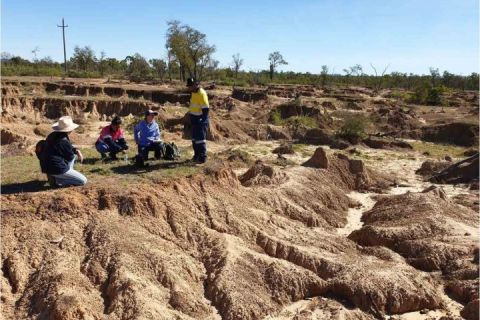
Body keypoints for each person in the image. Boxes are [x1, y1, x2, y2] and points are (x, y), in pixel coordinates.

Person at [41, 116, 87, 187]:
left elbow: (69, 149)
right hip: (57, 168)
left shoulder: (52, 135)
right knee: (83, 181)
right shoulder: (63, 140)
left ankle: (56, 176)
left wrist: (76, 150)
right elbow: (70, 156)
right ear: (69, 129)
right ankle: (58, 181)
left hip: (46, 166)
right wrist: (75, 152)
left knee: (73, 155)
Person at [186, 78, 209, 163]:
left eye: (190, 86)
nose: (189, 88)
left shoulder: (202, 94)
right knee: (194, 139)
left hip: (200, 119)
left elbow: (206, 109)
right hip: (193, 118)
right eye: (188, 86)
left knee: (200, 139)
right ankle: (196, 156)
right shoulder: (193, 92)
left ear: (195, 85)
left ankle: (202, 158)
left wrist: (202, 120)